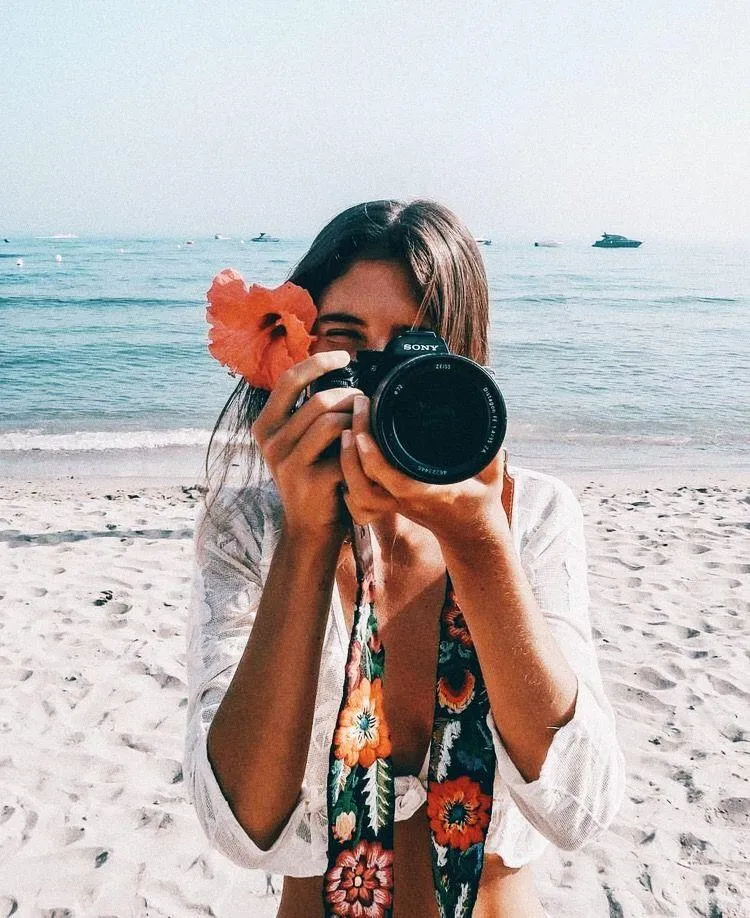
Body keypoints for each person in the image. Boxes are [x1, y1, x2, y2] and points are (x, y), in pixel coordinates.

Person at [184, 199, 625, 917]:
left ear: (464, 364)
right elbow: (241, 829)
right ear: (295, 354)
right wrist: (307, 540)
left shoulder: (531, 515)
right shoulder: (251, 528)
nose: (383, 383)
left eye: (416, 350)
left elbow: (581, 807)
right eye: (347, 344)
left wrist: (479, 543)